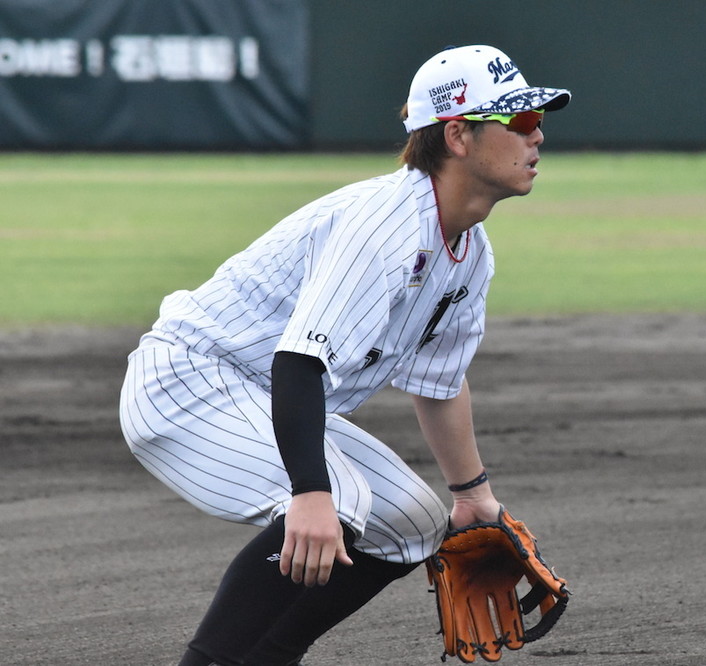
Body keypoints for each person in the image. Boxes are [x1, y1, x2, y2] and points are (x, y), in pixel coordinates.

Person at [119, 44, 570, 666]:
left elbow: (439, 380)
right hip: (189, 383)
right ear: (458, 136)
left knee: (412, 523)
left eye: (536, 119)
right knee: (338, 499)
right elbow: (299, 362)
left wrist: (473, 496)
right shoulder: (383, 226)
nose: (537, 134)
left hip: (264, 394)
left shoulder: (468, 249)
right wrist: (307, 493)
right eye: (517, 121)